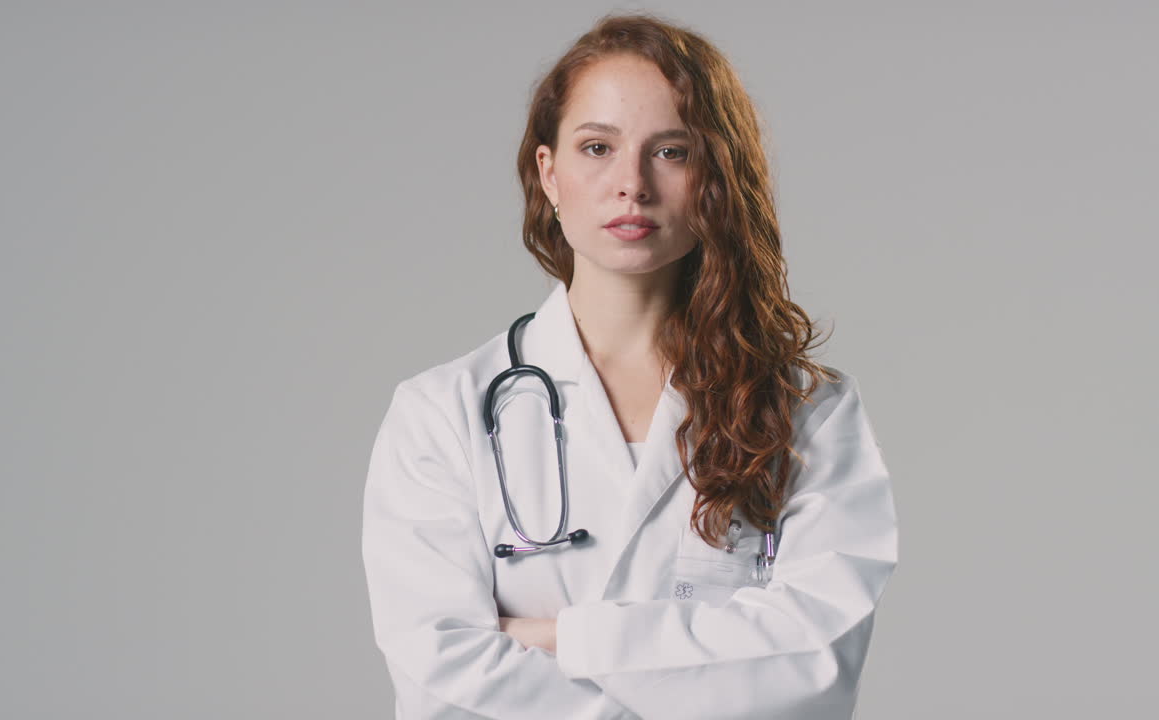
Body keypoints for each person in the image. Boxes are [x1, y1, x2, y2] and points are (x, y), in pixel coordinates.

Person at [361, 12, 898, 720]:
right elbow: (440, 680)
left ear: (715, 175)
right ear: (548, 173)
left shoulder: (808, 411)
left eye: (671, 151)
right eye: (596, 148)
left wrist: (564, 638)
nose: (631, 185)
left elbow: (815, 666)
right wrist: (700, 673)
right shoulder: (443, 414)